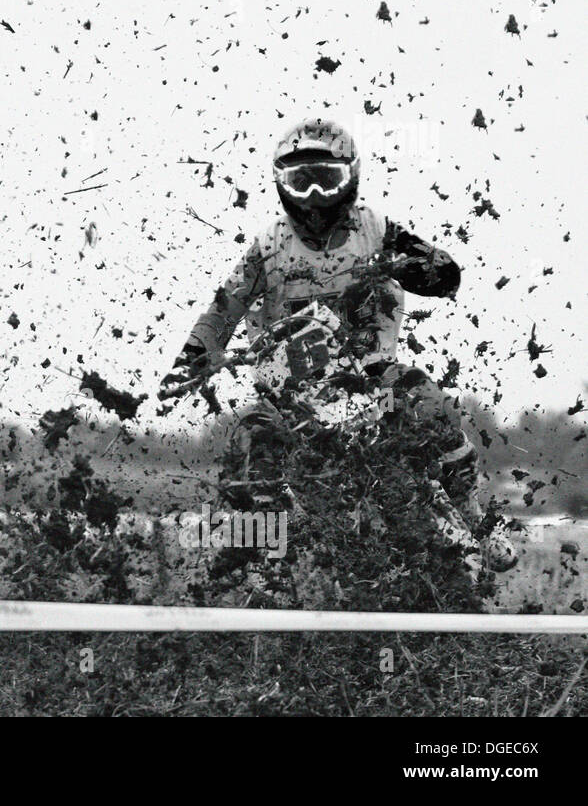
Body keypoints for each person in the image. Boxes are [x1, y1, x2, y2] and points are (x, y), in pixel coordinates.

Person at [161, 117, 515, 572]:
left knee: (426, 400)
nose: (313, 198)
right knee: (251, 436)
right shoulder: (268, 247)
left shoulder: (376, 230)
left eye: (326, 181)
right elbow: (221, 310)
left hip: (372, 378)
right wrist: (193, 357)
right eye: (300, 182)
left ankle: (476, 516)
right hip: (293, 395)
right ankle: (254, 556)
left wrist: (417, 268)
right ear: (279, 183)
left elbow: (445, 272)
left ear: (352, 177)